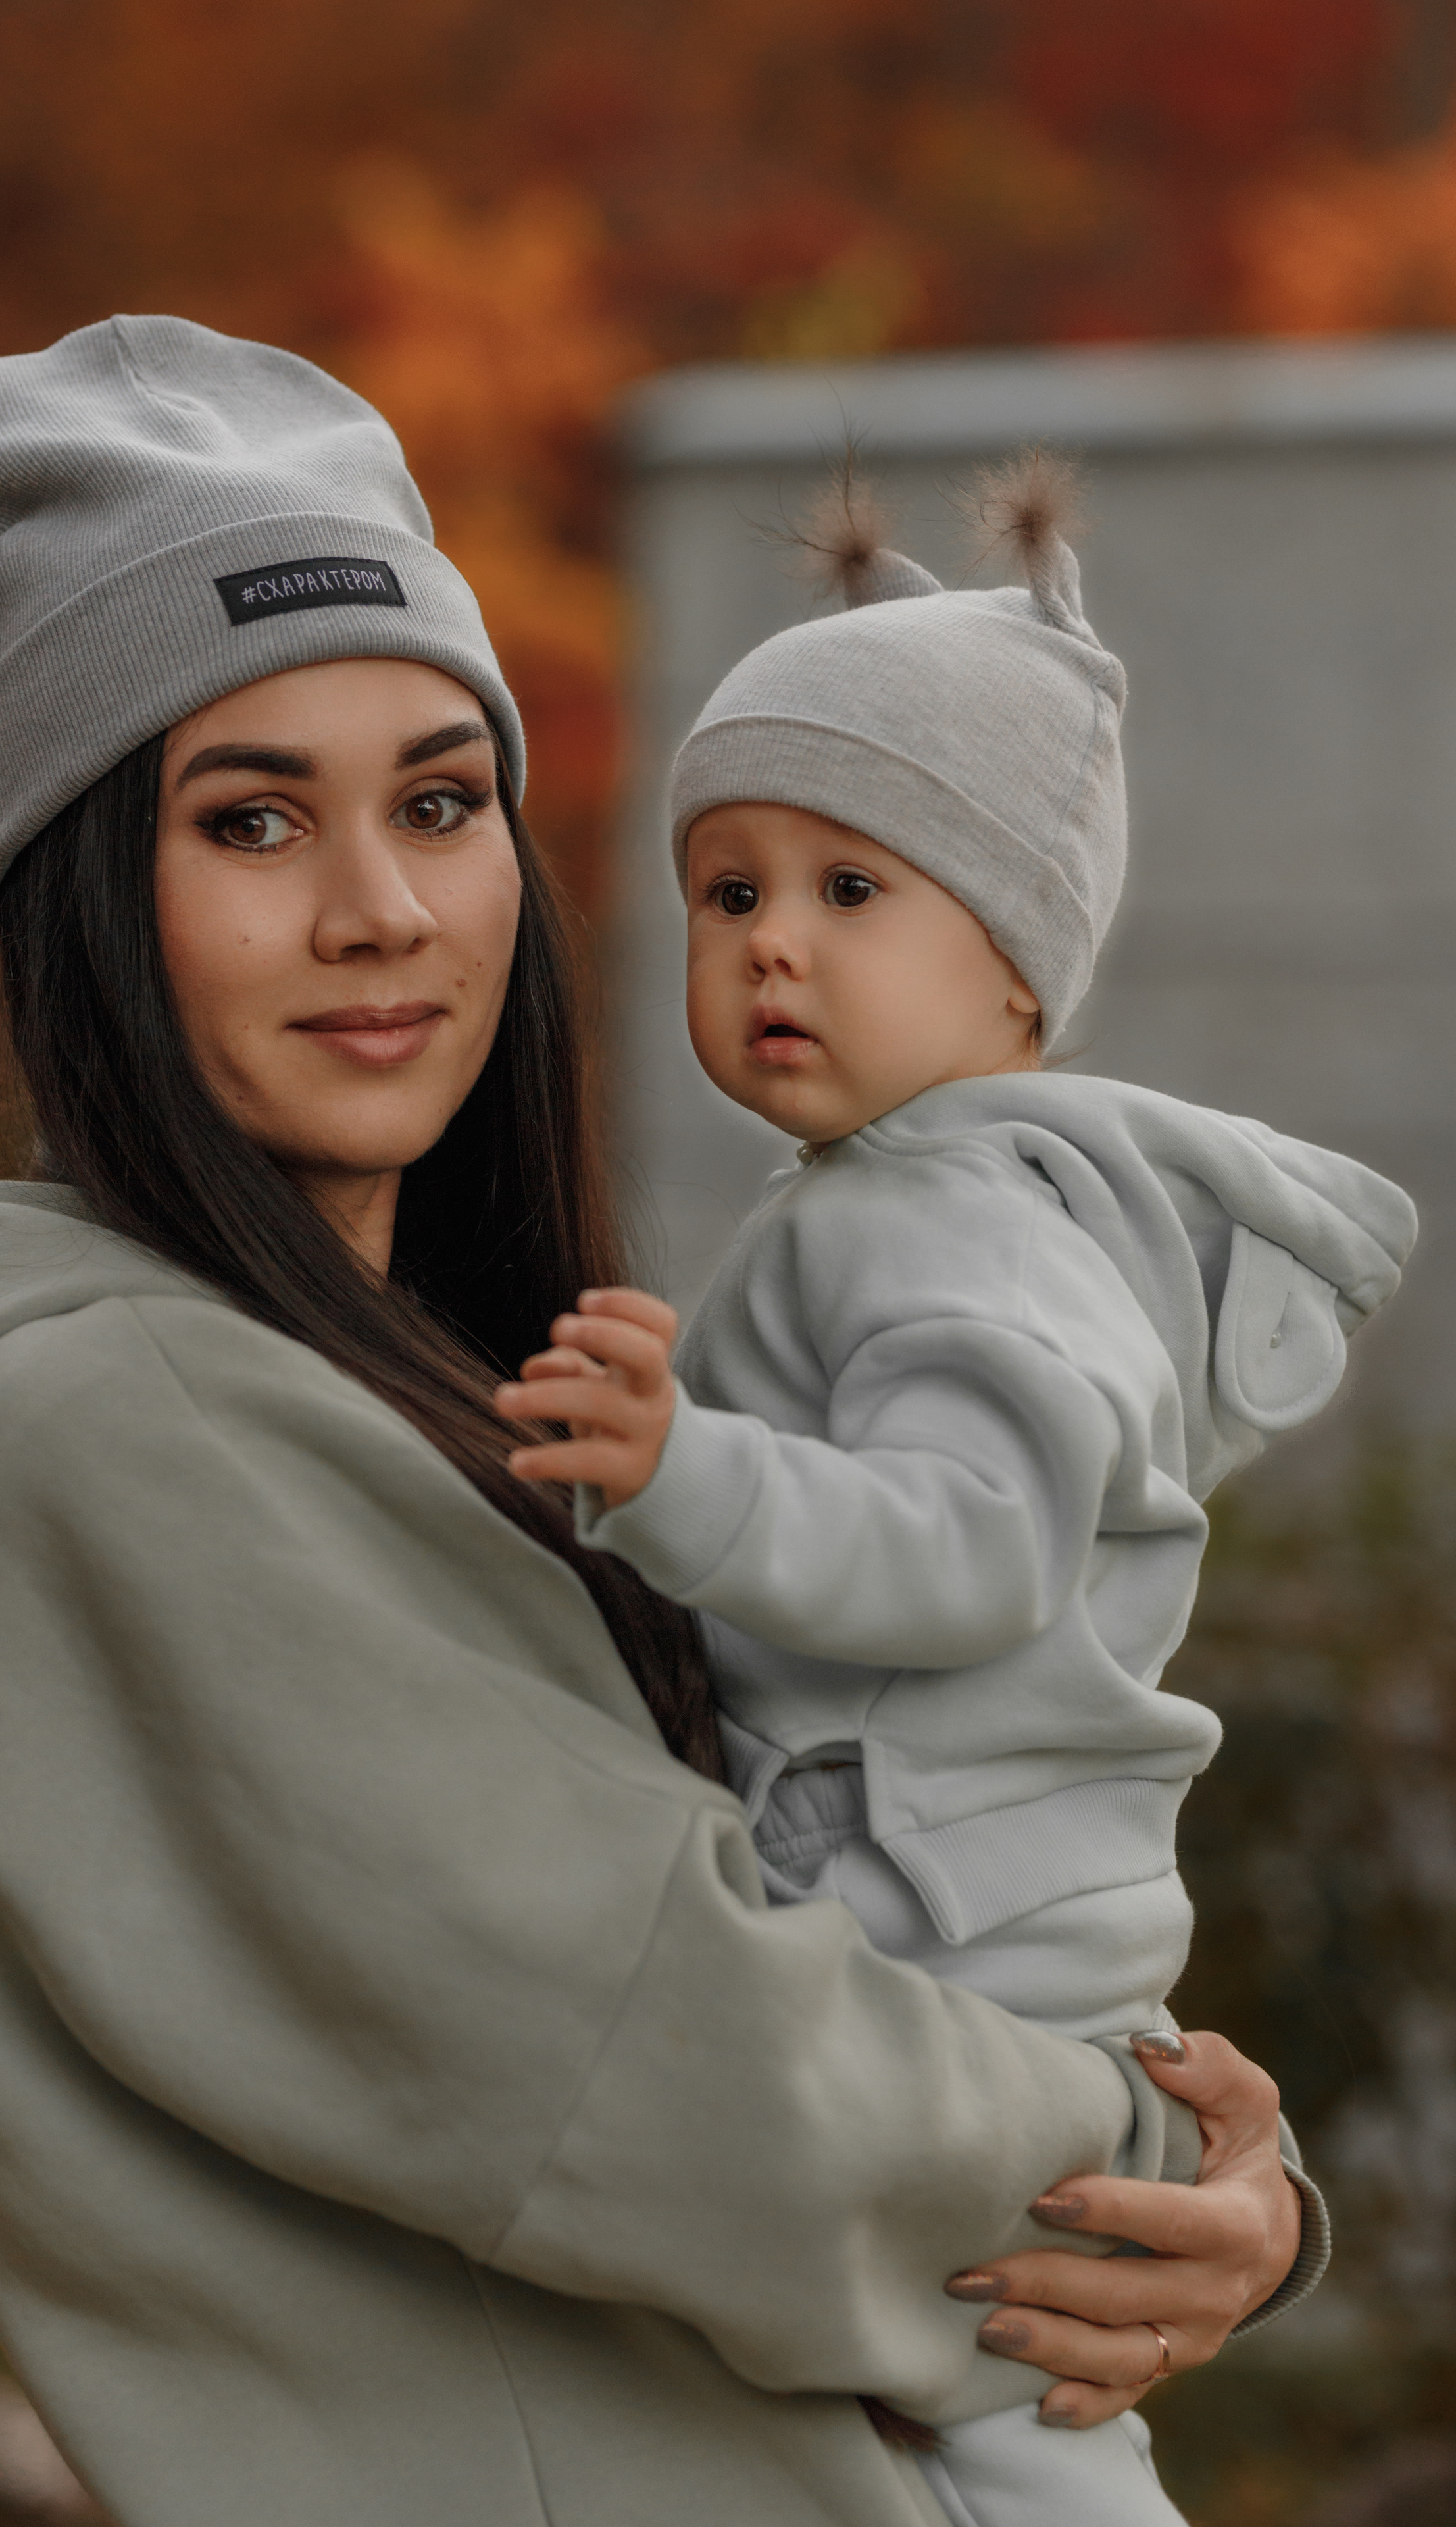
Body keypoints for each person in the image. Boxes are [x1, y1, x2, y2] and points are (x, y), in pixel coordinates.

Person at [0, 322, 1315, 2527]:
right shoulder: (114, 1420)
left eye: (438, 798)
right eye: (250, 820)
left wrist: (1213, 2174)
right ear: (90, 899)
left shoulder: (409, 1385)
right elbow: (689, 2068)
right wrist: (1185, 2182)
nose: (379, 907)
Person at [496, 462, 1415, 2526]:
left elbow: (979, 1549)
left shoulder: (940, 1224)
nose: (769, 952)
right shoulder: (919, 1205)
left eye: (851, 890)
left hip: (947, 1908)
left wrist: (678, 1474)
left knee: (1004, 2392)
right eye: (727, 895)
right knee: (996, 2391)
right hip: (993, 1890)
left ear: (1016, 967)